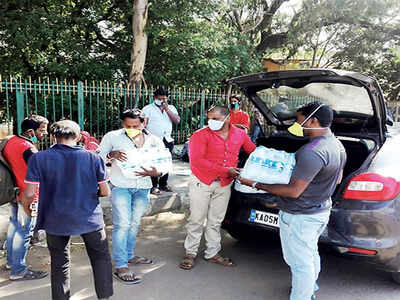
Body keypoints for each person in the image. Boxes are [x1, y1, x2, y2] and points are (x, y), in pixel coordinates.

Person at [238, 102, 347, 300]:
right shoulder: (337, 145)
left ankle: (302, 296)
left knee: (299, 262)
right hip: (320, 210)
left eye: (299, 120)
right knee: (310, 253)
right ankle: (310, 289)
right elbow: (337, 179)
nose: (297, 125)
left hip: (300, 216)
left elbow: (293, 191)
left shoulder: (312, 151)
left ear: (312, 120)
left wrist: (255, 183)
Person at [22, 120, 113, 300]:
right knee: (101, 259)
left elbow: (30, 193)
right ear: (79, 137)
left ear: (52, 136)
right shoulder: (93, 158)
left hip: (55, 219)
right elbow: (105, 191)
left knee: (59, 263)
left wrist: (27, 208)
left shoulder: (39, 158)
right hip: (89, 218)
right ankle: (104, 297)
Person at [179, 106, 256, 270]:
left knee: (216, 221)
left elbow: (254, 152)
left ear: (228, 118)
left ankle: (212, 253)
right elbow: (197, 161)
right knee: (196, 220)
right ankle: (190, 253)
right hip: (202, 182)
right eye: (209, 118)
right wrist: (226, 170)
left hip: (224, 184)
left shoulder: (240, 134)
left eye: (215, 118)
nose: (211, 122)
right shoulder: (200, 135)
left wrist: (274, 158)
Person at [99, 108, 166, 284]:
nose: (131, 129)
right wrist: (110, 155)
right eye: (128, 125)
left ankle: (129, 255)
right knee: (122, 225)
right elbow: (98, 157)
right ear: (123, 124)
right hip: (120, 186)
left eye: (135, 126)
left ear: (143, 123)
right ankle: (121, 265)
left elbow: (164, 161)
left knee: (134, 223)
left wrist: (156, 172)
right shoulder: (112, 137)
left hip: (143, 187)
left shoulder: (154, 140)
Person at [3, 115, 49, 281]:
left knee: (14, 229)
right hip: (28, 195)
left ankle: (11, 263)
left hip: (14, 192)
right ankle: (18, 270)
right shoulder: (28, 148)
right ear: (31, 131)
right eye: (42, 130)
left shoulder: (10, 141)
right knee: (24, 233)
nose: (45, 133)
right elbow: (41, 172)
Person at [142, 88, 180, 194]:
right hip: (152, 140)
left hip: (167, 139)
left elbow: (176, 121)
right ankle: (153, 186)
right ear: (154, 98)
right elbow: (142, 125)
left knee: (165, 162)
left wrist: (167, 109)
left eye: (164, 99)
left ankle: (163, 185)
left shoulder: (171, 108)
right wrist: (148, 136)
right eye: (159, 99)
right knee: (152, 163)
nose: (162, 101)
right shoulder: (147, 109)